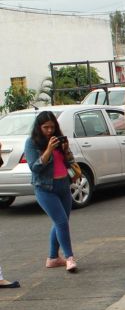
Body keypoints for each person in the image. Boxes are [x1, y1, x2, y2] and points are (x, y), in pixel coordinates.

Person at [24, 111, 78, 273]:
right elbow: (35, 167)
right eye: (45, 127)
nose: (49, 131)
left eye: (52, 127)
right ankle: (69, 258)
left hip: (63, 185)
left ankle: (53, 258)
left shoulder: (58, 140)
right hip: (45, 188)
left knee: (61, 222)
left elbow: (69, 162)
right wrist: (48, 150)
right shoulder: (32, 143)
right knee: (61, 222)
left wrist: (66, 150)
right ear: (38, 127)